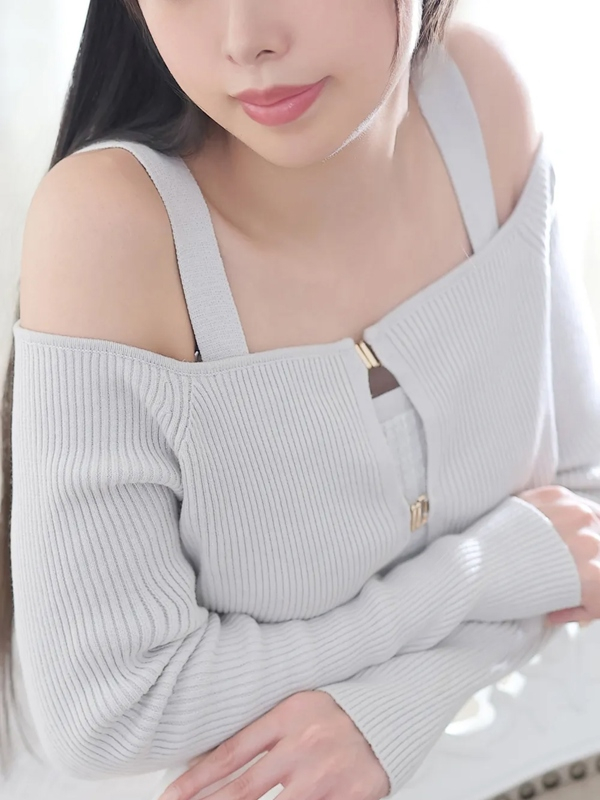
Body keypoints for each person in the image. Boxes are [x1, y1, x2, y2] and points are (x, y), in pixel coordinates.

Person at [2, 1, 600, 799]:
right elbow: (110, 712)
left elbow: (581, 519)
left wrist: (396, 707)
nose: (246, 41)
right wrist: (483, 574)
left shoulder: (478, 97)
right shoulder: (114, 226)